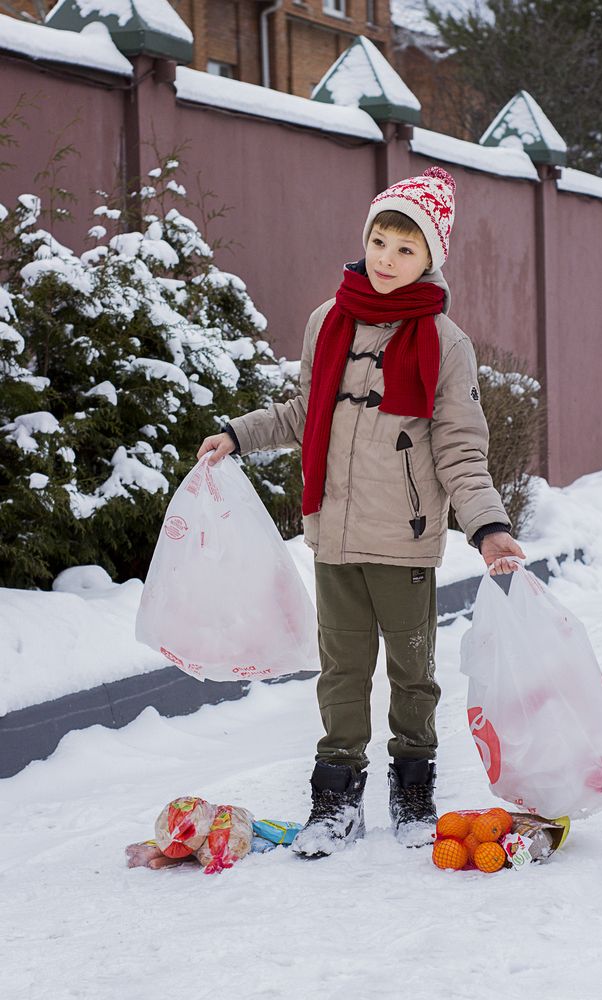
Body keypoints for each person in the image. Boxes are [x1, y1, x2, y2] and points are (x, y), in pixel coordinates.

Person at [197, 166, 525, 859]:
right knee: (341, 672)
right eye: (379, 241)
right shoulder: (329, 320)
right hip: (335, 535)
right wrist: (238, 434)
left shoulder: (446, 343)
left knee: (412, 673)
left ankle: (413, 793)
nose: (386, 258)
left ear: (429, 258)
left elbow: (461, 451)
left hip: (404, 541)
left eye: (405, 248)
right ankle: (337, 800)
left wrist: (489, 527)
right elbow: (304, 411)